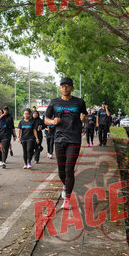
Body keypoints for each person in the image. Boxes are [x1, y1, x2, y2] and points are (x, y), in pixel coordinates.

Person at [44, 77, 87, 209]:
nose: (65, 87)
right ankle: (66, 185)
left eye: (67, 85)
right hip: (59, 139)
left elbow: (86, 118)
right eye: (62, 85)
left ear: (72, 88)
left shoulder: (79, 102)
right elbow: (46, 119)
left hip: (74, 139)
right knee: (61, 172)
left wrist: (84, 119)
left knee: (69, 169)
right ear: (59, 88)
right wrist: (53, 122)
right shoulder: (54, 102)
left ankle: (67, 198)